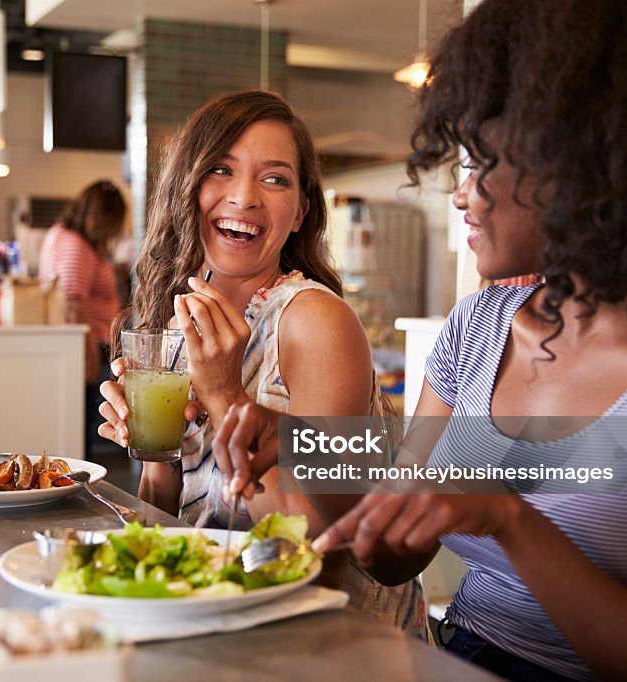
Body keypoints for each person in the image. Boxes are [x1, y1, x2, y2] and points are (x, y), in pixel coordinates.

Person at [213, 1, 627, 680]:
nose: (460, 197)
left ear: (578, 162)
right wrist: (300, 442)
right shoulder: (479, 325)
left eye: (478, 164)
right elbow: (391, 550)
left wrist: (507, 519)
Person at [97, 90, 428, 636]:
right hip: (217, 620)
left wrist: (228, 397)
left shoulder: (316, 322)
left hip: (331, 638)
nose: (244, 197)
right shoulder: (177, 322)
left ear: (300, 213)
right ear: (188, 188)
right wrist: (154, 449)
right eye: (221, 170)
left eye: (275, 179)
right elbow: (171, 519)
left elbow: (318, 547)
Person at [38, 180, 126, 451]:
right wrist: (87, 359)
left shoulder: (67, 237)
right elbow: (75, 304)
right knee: (84, 427)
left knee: (84, 425)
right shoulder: (75, 244)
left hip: (91, 345)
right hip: (90, 347)